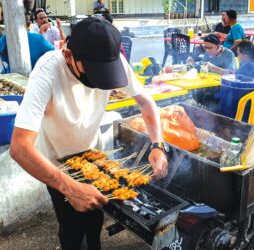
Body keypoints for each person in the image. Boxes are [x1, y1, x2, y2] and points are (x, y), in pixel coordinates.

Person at [10, 18, 168, 250]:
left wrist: (158, 145)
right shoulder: (47, 71)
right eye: (93, 72)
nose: (99, 81)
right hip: (57, 163)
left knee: (94, 220)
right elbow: (19, 146)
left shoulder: (112, 60)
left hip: (94, 153)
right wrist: (68, 188)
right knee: (72, 228)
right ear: (68, 55)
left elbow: (146, 103)